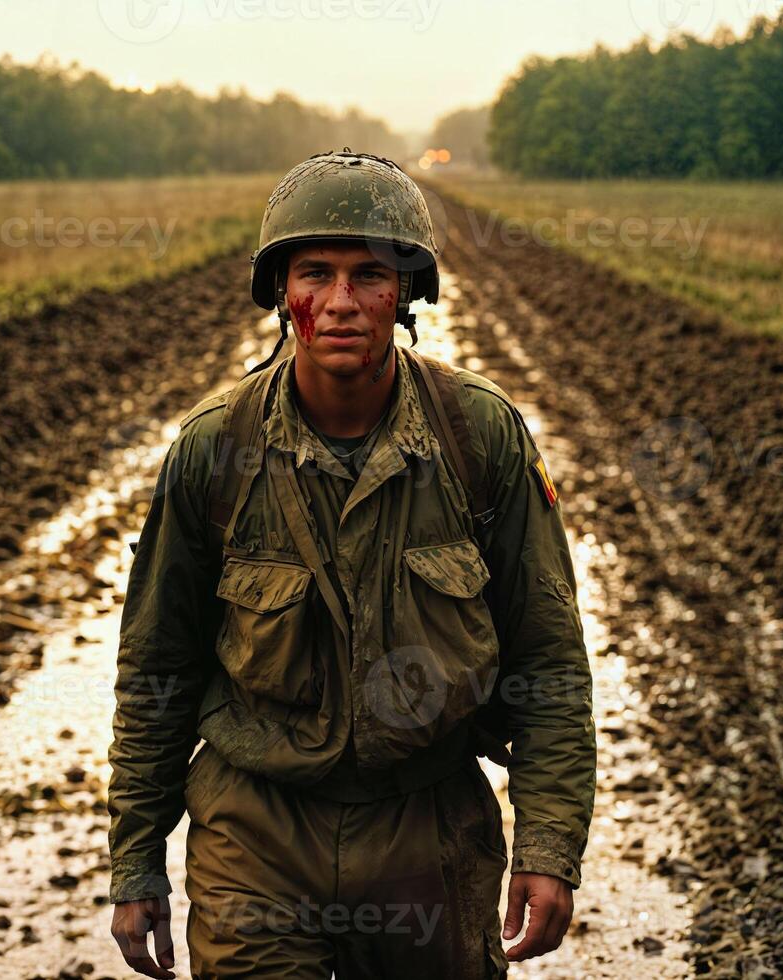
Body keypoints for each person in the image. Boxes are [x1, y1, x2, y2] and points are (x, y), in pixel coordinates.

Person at [108, 148, 596, 979]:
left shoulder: (478, 439)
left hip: (428, 828)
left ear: (406, 294)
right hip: (254, 833)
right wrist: (136, 859)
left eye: (371, 275)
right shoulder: (213, 452)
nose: (341, 303)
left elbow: (547, 659)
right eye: (315, 274)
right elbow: (158, 665)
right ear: (280, 295)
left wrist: (548, 845)